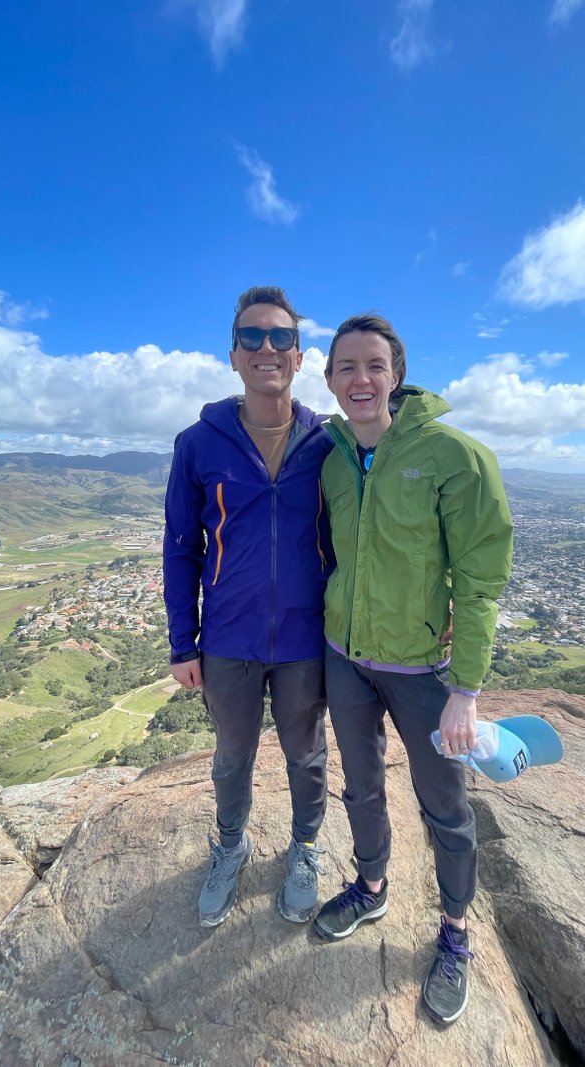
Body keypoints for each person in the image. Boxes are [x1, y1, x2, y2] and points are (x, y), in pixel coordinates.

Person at [313, 313, 513, 1026]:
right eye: (346, 367)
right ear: (331, 379)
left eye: (373, 365)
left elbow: (481, 578)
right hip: (345, 658)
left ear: (396, 374)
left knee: (447, 808)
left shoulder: (454, 455)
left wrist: (466, 689)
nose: (360, 379)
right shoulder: (332, 458)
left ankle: (456, 933)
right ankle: (372, 885)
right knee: (361, 785)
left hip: (424, 671)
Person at [163, 286, 333, 928]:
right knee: (232, 757)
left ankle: (306, 848)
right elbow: (181, 547)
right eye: (253, 337)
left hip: (304, 638)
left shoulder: (326, 444)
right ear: (234, 355)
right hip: (227, 639)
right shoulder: (197, 443)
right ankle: (230, 847)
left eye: (281, 337)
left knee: (305, 754)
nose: (268, 348)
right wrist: (184, 644)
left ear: (298, 355)